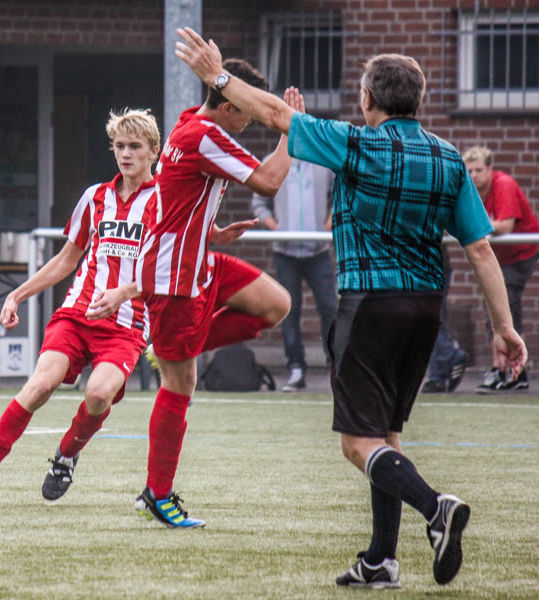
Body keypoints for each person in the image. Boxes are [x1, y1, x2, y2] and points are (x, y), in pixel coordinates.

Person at [175, 28, 527, 587]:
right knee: (386, 434)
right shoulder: (449, 157)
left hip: (369, 305)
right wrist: (504, 327)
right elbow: (481, 249)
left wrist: (217, 76)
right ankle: (380, 560)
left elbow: (276, 115)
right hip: (425, 309)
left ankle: (435, 508)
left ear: (367, 99)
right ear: (419, 100)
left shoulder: (354, 142)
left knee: (357, 443)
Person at [0, 108, 160, 509]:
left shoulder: (166, 203)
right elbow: (67, 259)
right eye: (119, 146)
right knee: (39, 385)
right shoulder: (95, 198)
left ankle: (66, 455)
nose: (126, 154)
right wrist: (18, 294)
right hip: (77, 315)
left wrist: (124, 293)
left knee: (99, 395)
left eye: (135, 146)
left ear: (153, 151)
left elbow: (171, 270)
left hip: (127, 325)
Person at [133, 58, 297, 528]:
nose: (253, 121)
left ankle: (170, 349)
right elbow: (269, 181)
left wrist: (211, 232)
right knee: (180, 385)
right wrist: (293, 132)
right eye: (249, 111)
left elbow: (175, 200)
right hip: (173, 277)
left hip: (199, 260)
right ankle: (157, 493)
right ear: (227, 107)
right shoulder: (204, 134)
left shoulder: (189, 121)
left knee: (276, 304)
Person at [252, 158, 337, 391]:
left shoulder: (323, 164)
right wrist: (275, 227)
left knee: (329, 307)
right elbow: (258, 201)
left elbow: (341, 192)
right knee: (289, 310)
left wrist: (330, 221)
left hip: (318, 251)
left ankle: (334, 364)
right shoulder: (274, 162)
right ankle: (296, 368)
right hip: (285, 252)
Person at [462, 145, 538, 393]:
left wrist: (469, 223)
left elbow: (505, 226)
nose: (473, 176)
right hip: (498, 256)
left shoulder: (503, 184)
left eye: (478, 170)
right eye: (469, 171)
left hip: (520, 252)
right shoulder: (470, 190)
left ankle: (510, 371)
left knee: (505, 307)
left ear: (490, 169)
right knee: (493, 308)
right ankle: (504, 370)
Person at [420, 246, 468, 393]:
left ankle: (450, 356)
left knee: (426, 316)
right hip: (427, 261)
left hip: (425, 262)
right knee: (434, 316)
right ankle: (437, 376)